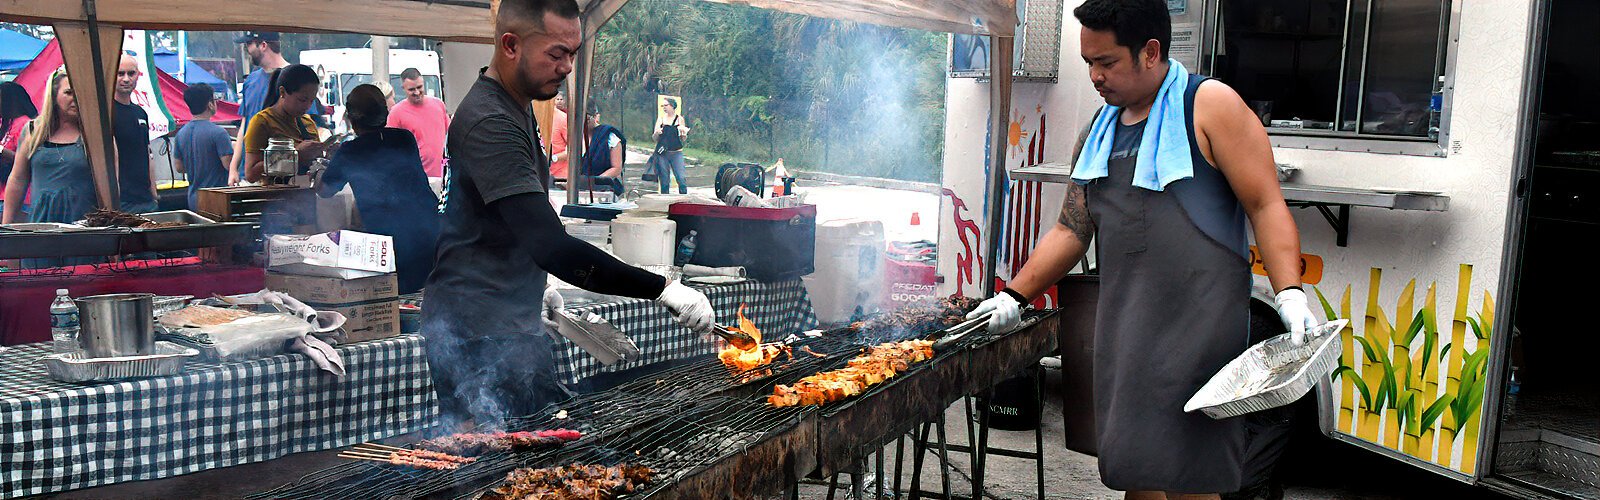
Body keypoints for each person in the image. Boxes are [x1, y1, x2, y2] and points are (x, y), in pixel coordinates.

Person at [964, 1, 1316, 498]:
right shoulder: (1098, 131)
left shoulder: (1210, 105)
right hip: (1127, 331)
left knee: (1193, 477)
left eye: (1106, 62)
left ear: (1150, 52)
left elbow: (1265, 204)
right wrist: (1014, 297)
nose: (1094, 77)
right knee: (1136, 469)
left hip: (1201, 334)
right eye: (1088, 63)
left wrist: (1290, 294)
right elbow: (1071, 229)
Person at [422, 0, 715, 427]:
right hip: (477, 332)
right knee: (502, 475)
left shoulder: (514, 107)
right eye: (556, 53)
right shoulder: (491, 121)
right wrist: (661, 289)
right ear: (510, 45)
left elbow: (508, 225)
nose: (567, 67)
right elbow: (552, 247)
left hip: (505, 318)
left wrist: (528, 284)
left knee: (544, 455)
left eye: (573, 53)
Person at [316, 84, 440, 294]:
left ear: (351, 119)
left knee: (399, 299)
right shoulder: (404, 139)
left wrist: (324, 164)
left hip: (392, 244)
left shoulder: (350, 152)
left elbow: (324, 190)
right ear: (385, 114)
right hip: (431, 232)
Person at [3, 70, 95, 226]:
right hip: (41, 227)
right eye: (69, 93)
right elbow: (18, 179)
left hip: (84, 228)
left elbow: (110, 183)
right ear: (54, 95)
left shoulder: (95, 134)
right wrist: (6, 225)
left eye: (81, 92)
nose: (76, 98)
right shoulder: (34, 131)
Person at [241, 64, 328, 183]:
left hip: (305, 197)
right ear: (282, 92)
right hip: (274, 198)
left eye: (311, 101)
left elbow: (317, 167)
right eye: (302, 100)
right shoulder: (262, 122)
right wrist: (295, 155)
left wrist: (328, 155)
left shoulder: (308, 123)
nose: (307, 106)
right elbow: (251, 174)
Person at [229, 32, 289, 183]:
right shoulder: (251, 80)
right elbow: (244, 125)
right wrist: (233, 168)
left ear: (263, 45)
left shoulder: (294, 78)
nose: (247, 50)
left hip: (280, 175)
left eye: (249, 44)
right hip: (247, 174)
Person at [173, 83, 234, 211]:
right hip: (216, 200)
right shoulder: (219, 133)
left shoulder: (181, 134)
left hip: (193, 199)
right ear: (210, 104)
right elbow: (229, 165)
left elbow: (179, 168)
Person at [113, 54, 158, 213]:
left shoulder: (141, 113)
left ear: (138, 75)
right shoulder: (105, 112)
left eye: (131, 73)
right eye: (120, 73)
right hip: (121, 201)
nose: (126, 79)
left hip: (146, 199)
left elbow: (147, 152)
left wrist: (154, 191)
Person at [387, 67, 450, 178]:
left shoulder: (438, 105)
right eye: (411, 89)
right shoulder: (396, 113)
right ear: (403, 88)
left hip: (442, 175)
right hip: (415, 178)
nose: (417, 92)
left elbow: (450, 136)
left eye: (419, 87)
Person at [1, 81, 39, 203]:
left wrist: (1, 151)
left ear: (9, 101)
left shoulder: (27, 125)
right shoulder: (6, 124)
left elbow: (28, 160)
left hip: (19, 198)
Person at [579, 108, 625, 196]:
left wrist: (595, 182)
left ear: (595, 116)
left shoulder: (610, 137)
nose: (583, 124)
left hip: (605, 189)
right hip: (580, 188)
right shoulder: (576, 136)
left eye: (587, 120)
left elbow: (616, 168)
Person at [652, 97, 689, 194]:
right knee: (664, 180)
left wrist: (683, 134)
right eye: (662, 105)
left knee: (681, 178)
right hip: (663, 153)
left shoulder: (679, 119)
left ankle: (683, 200)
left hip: (676, 152)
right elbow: (654, 138)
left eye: (666, 105)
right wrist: (657, 133)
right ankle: (665, 201)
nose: (664, 107)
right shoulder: (661, 119)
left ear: (672, 106)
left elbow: (683, 139)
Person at [548, 90, 570, 180]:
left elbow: (574, 149)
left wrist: (554, 158)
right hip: (537, 177)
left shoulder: (562, 118)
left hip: (560, 177)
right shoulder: (530, 117)